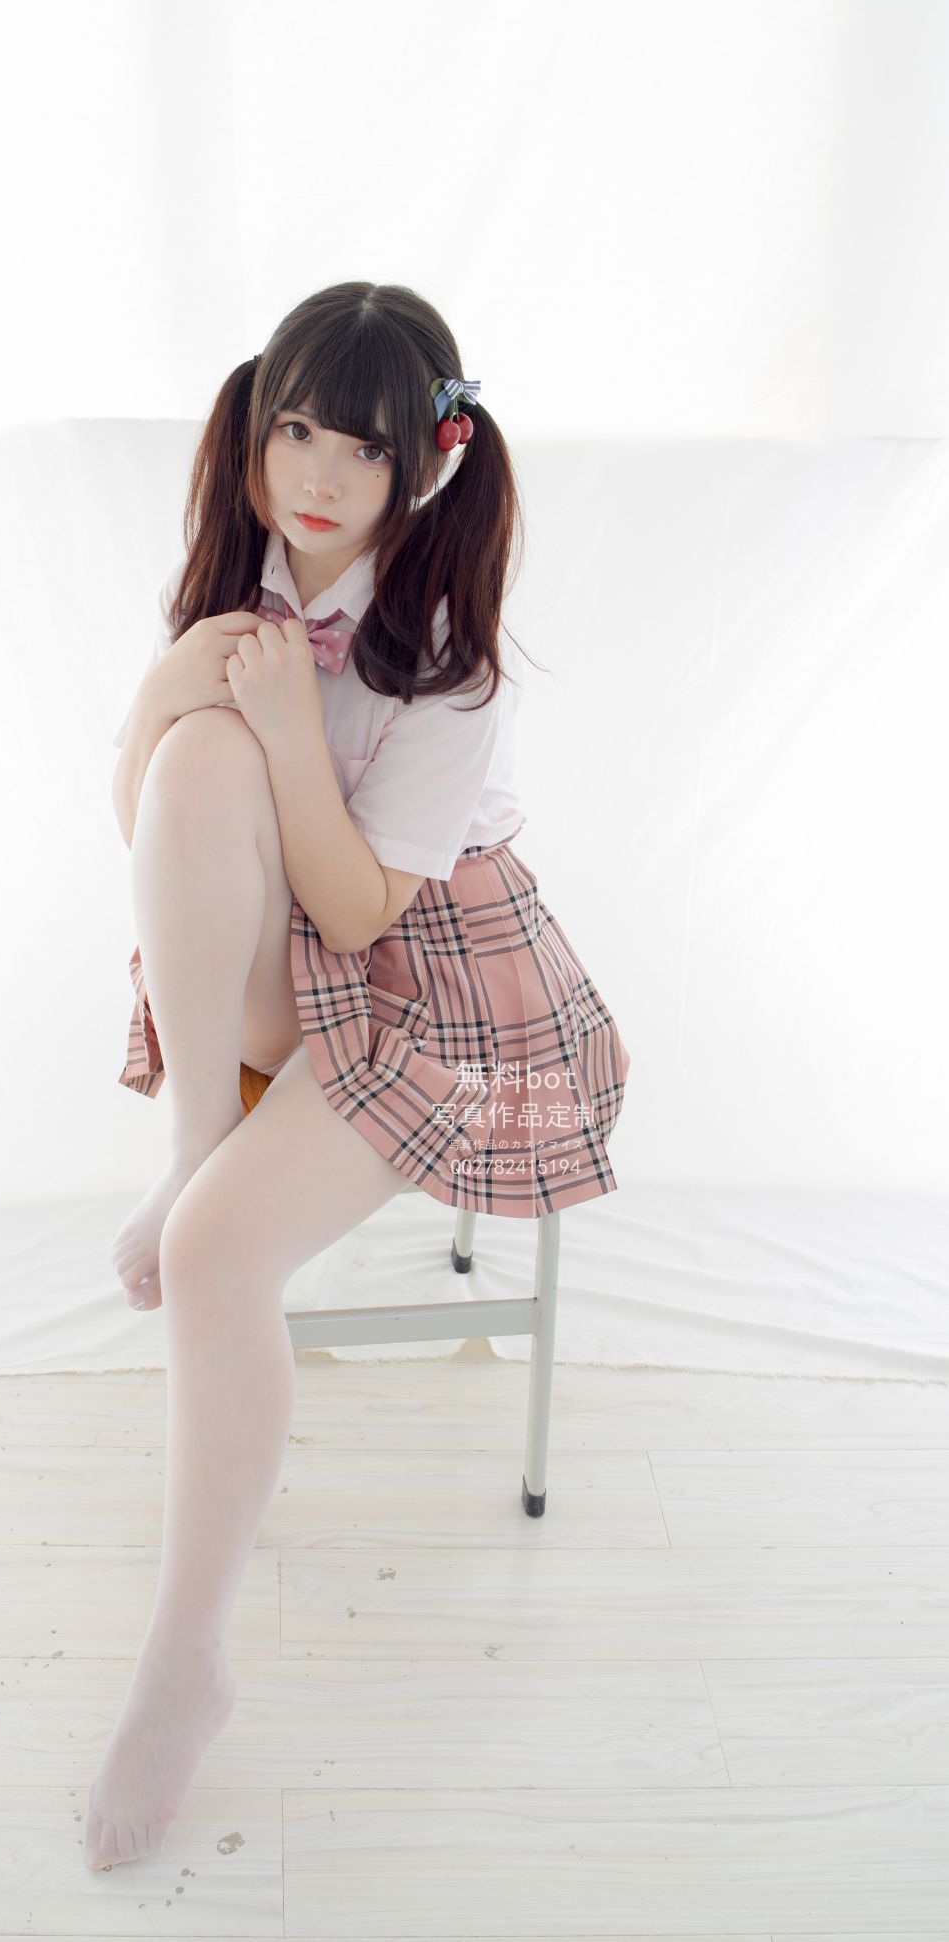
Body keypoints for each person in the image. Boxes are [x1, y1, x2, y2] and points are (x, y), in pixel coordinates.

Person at [87, 280, 631, 1872]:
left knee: (214, 1257)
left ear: (426, 462)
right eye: (297, 430)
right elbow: (150, 820)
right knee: (194, 754)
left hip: (435, 979)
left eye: (365, 448)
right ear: (258, 429)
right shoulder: (241, 572)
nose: (319, 475)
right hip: (276, 955)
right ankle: (199, 1141)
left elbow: (353, 910)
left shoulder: (452, 658)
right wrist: (171, 694)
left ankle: (185, 1660)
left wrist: (282, 728)